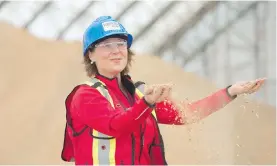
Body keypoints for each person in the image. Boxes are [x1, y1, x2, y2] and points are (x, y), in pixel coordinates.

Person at [61, 16, 265, 165]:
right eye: (106, 45)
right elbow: (117, 125)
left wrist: (230, 92)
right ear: (90, 54)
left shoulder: (138, 95)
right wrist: (147, 103)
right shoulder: (86, 96)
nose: (116, 50)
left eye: (120, 43)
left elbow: (188, 114)